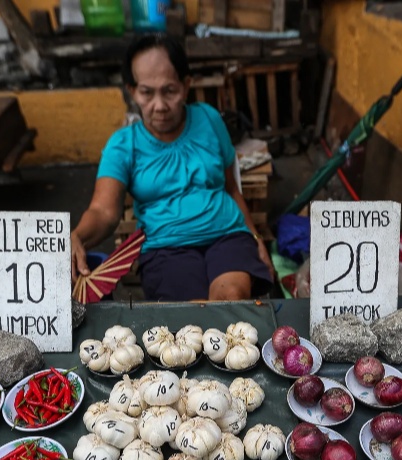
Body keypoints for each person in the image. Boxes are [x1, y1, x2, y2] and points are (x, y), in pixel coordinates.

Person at [70, 34, 274, 301]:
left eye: (169, 90)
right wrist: (77, 236)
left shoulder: (209, 119)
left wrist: (256, 237)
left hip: (228, 235)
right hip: (165, 248)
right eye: (146, 92)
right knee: (190, 319)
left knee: (230, 301)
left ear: (186, 86)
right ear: (132, 91)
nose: (159, 105)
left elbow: (231, 188)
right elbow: (103, 211)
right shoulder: (122, 145)